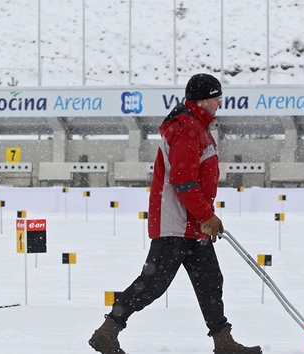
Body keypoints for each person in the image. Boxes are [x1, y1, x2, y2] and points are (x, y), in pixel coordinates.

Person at [89, 73, 262, 354]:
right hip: (176, 223)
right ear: (203, 99)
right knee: (153, 283)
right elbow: (183, 181)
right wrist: (206, 216)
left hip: (192, 224)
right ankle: (107, 330)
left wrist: (203, 216)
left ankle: (223, 341)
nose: (220, 102)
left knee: (210, 280)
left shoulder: (198, 127)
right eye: (216, 96)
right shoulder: (187, 128)